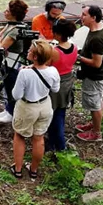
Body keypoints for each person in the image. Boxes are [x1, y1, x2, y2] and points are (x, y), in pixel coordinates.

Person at [10, 40, 60, 181]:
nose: (28, 51)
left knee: (19, 135)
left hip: (28, 107)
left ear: (36, 57)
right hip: (44, 106)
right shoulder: (53, 71)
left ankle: (18, 169)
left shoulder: (25, 73)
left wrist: (23, 73)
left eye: (30, 50)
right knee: (39, 138)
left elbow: (16, 95)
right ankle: (33, 170)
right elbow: (55, 89)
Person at [76, 5, 103, 142]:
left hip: (95, 77)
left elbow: (96, 63)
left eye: (84, 15)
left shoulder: (97, 38)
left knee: (95, 104)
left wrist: (78, 58)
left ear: (93, 17)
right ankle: (94, 124)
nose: (81, 17)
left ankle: (96, 133)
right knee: (97, 101)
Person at [0, 0, 29, 123]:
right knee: (5, 84)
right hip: (5, 60)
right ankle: (7, 109)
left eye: (7, 11)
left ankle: (12, 112)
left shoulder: (15, 30)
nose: (5, 12)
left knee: (11, 85)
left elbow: (2, 45)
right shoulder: (10, 24)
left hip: (12, 62)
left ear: (13, 14)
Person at [47, 20, 78, 152]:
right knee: (61, 112)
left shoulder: (55, 51)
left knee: (54, 116)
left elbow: (46, 66)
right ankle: (56, 142)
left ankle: (59, 145)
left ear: (59, 35)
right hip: (68, 82)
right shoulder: (74, 47)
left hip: (56, 84)